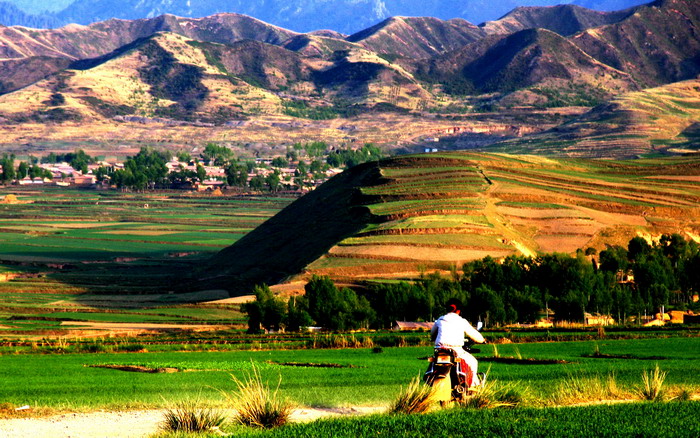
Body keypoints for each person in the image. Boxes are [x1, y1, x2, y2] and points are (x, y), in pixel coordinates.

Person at [431, 298, 485, 386]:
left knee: (434, 362)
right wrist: (483, 340)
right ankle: (472, 386)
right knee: (473, 362)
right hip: (456, 350)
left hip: (439, 350)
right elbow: (475, 335)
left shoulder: (440, 320)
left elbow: (432, 333)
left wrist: (433, 338)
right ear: (459, 310)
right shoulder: (462, 321)